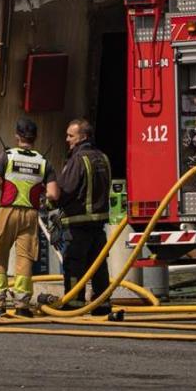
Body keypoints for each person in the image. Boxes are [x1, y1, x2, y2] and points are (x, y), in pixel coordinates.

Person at [47, 117, 114, 314]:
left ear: (83, 136)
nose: (67, 139)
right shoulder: (103, 158)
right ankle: (102, 304)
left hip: (78, 225)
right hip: (98, 224)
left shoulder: (78, 159)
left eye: (70, 135)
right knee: (98, 266)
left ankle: (74, 303)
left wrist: (48, 204)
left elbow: (65, 190)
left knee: (74, 265)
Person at [0, 117, 47, 315]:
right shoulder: (43, 161)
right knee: (25, 258)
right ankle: (22, 305)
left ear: (17, 136)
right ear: (35, 138)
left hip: (7, 211)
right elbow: (53, 193)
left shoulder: (7, 156)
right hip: (31, 214)